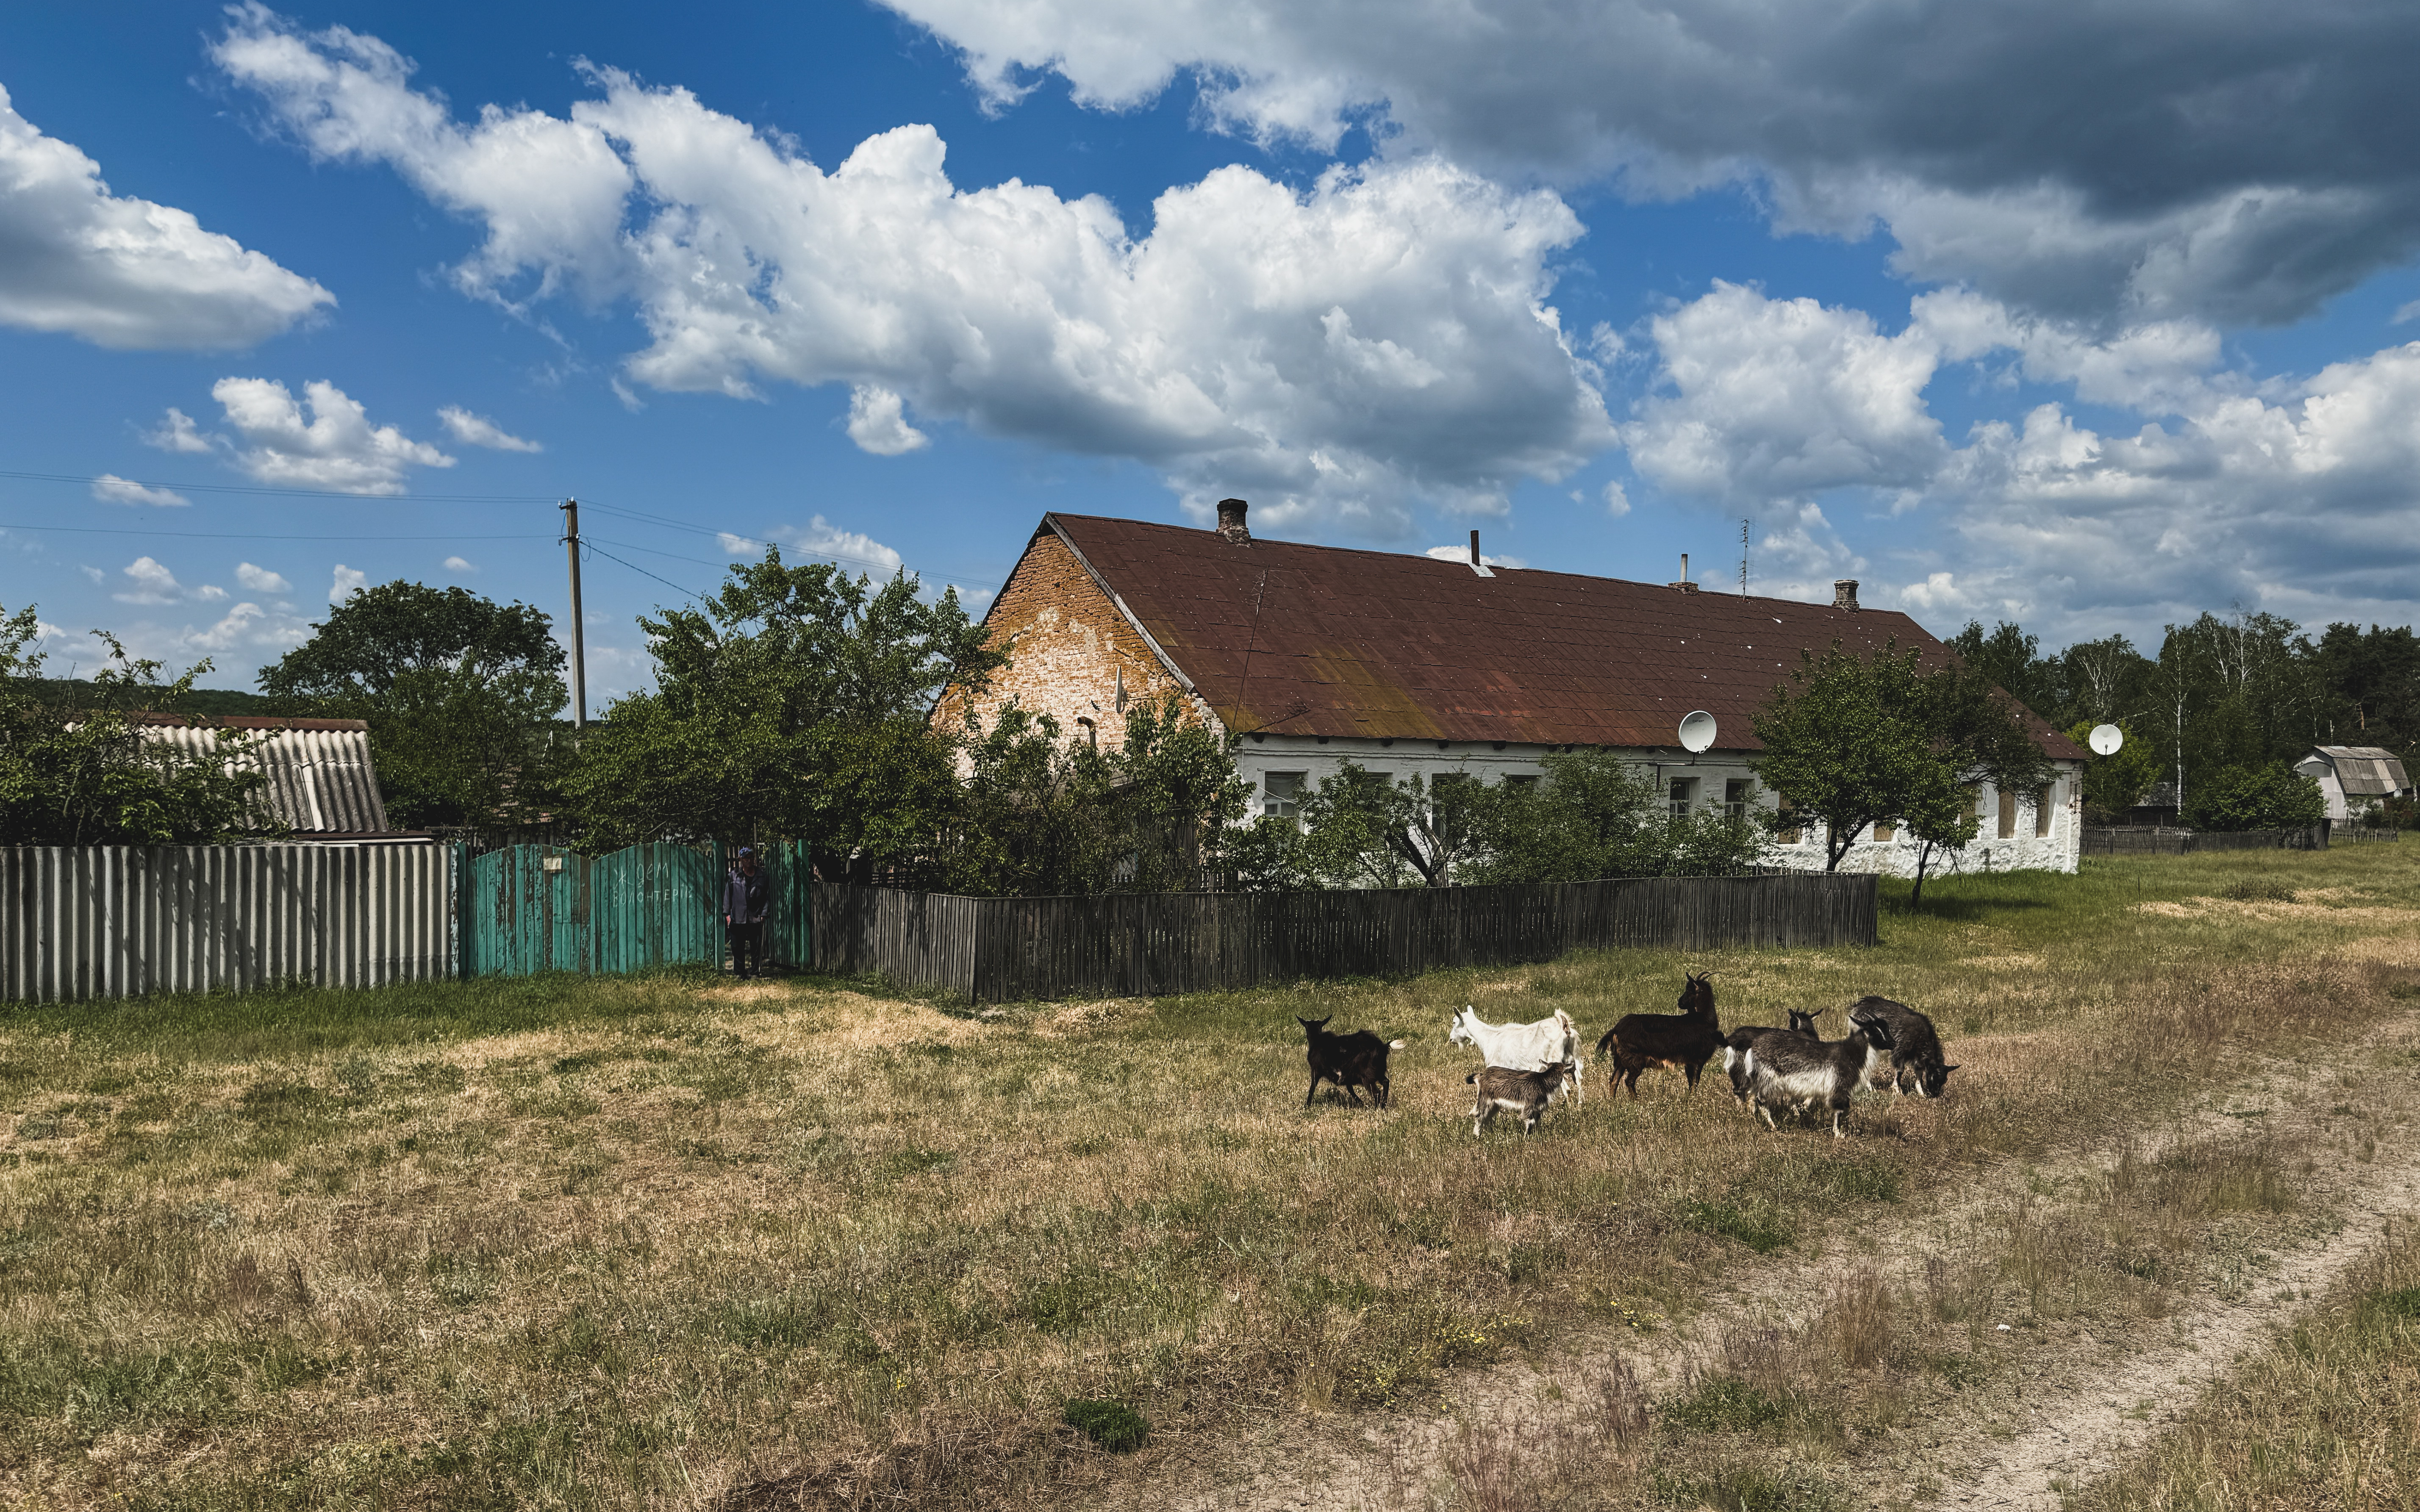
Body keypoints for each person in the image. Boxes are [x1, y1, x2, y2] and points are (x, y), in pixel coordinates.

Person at [723, 847, 771, 978]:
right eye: (746, 859)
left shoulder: (762, 876)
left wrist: (764, 914)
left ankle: (755, 973)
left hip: (755, 916)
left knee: (756, 947)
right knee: (737, 947)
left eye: (751, 858)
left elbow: (767, 896)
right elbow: (728, 895)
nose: (749, 861)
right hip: (738, 916)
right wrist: (727, 915)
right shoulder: (733, 876)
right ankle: (739, 973)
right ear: (741, 860)